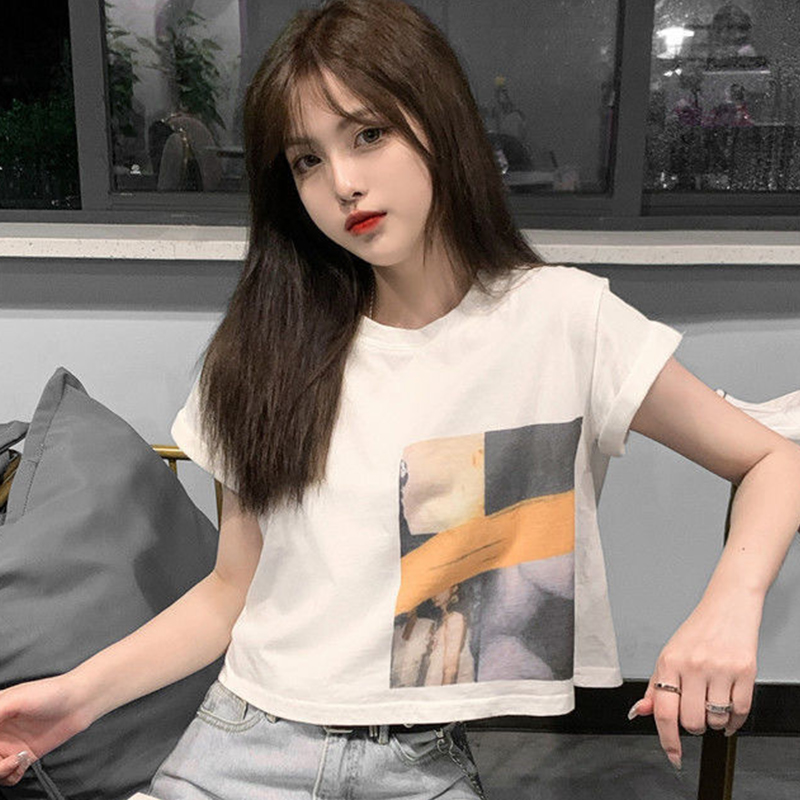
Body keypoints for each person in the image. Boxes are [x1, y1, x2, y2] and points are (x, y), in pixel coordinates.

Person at [2, 0, 800, 797]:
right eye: (306, 160)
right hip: (239, 744)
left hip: (417, 766)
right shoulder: (261, 350)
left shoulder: (563, 321)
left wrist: (727, 608)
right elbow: (227, 594)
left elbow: (774, 460)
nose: (343, 183)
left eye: (369, 134)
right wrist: (72, 702)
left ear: (439, 123)